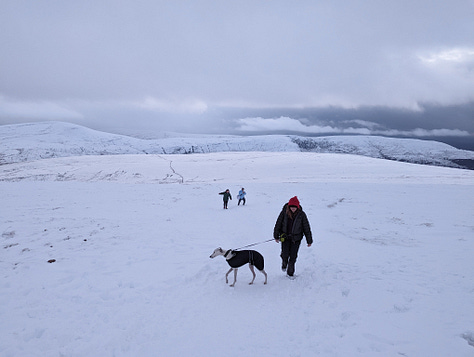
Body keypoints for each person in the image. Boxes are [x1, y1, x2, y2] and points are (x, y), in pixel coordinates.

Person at [273, 196, 313, 277]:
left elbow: (306, 227)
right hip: (285, 238)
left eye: (294, 207)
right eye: (291, 207)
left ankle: (290, 273)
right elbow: (278, 224)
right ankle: (284, 263)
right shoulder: (284, 213)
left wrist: (309, 240)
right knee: (285, 254)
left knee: (293, 256)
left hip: (296, 239)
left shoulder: (302, 215)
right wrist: (276, 235)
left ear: (297, 206)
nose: (293, 208)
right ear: (289, 206)